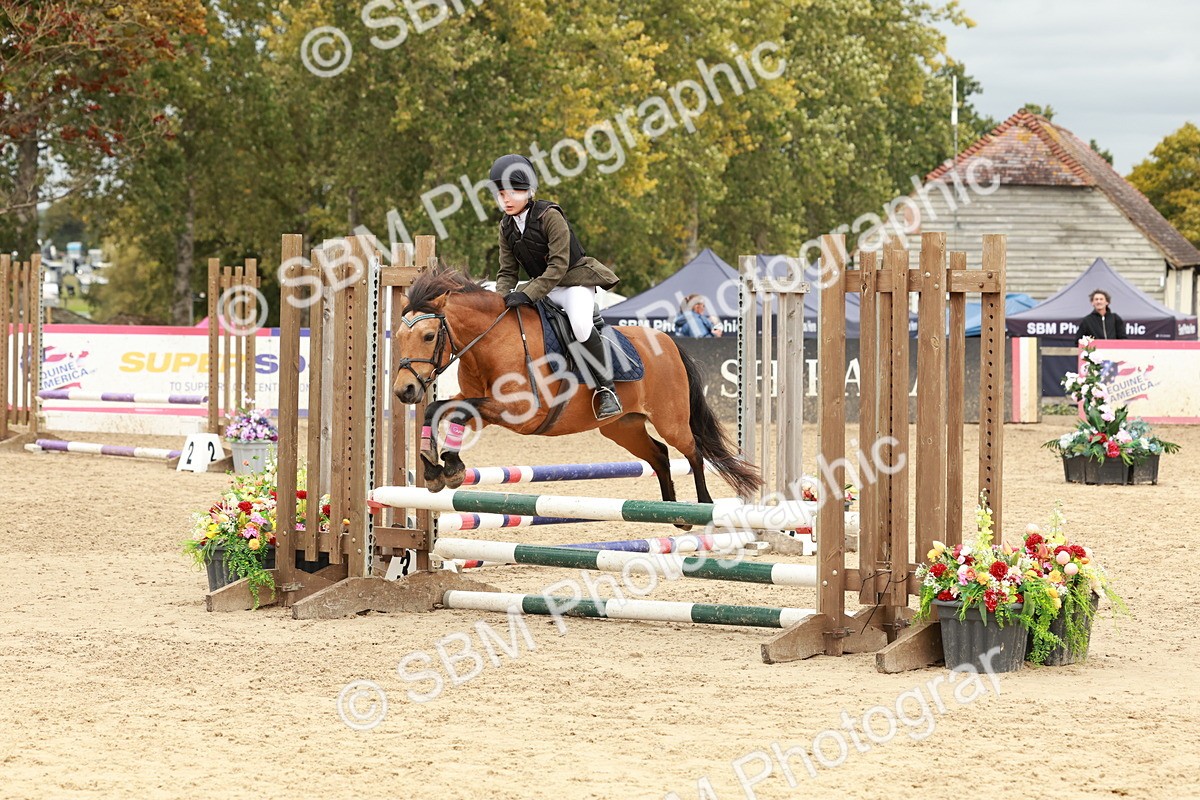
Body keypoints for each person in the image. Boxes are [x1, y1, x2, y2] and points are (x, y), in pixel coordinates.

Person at [489, 153, 624, 419]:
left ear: (528, 192)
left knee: (581, 326)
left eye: (512, 193)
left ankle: (607, 390)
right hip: (543, 288)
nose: (506, 199)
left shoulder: (550, 216)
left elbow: (558, 267)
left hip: (574, 283)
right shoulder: (505, 226)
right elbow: (506, 272)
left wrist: (526, 293)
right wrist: (500, 299)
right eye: (501, 193)